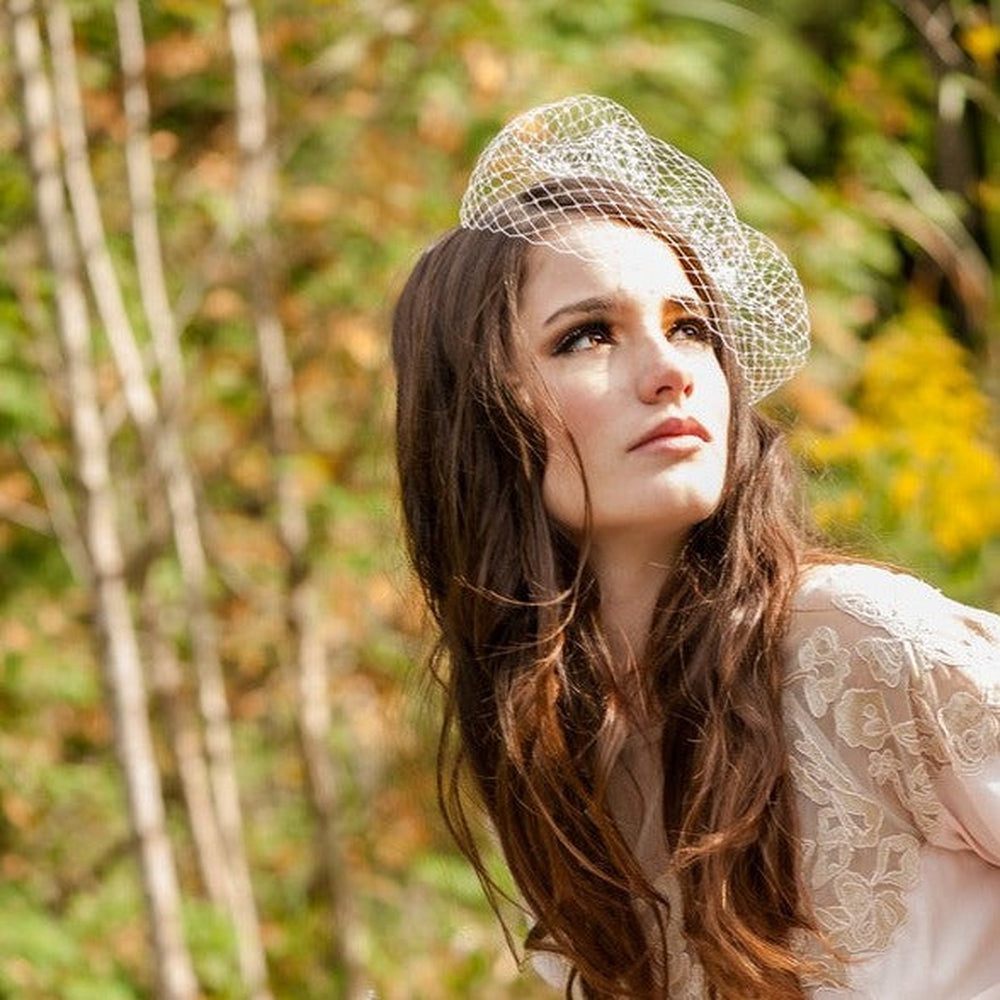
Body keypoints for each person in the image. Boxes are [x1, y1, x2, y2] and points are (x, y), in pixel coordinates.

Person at [390, 95, 1000, 999]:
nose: (672, 369)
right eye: (588, 336)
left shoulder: (862, 642)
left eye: (690, 327)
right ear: (480, 411)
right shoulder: (555, 748)